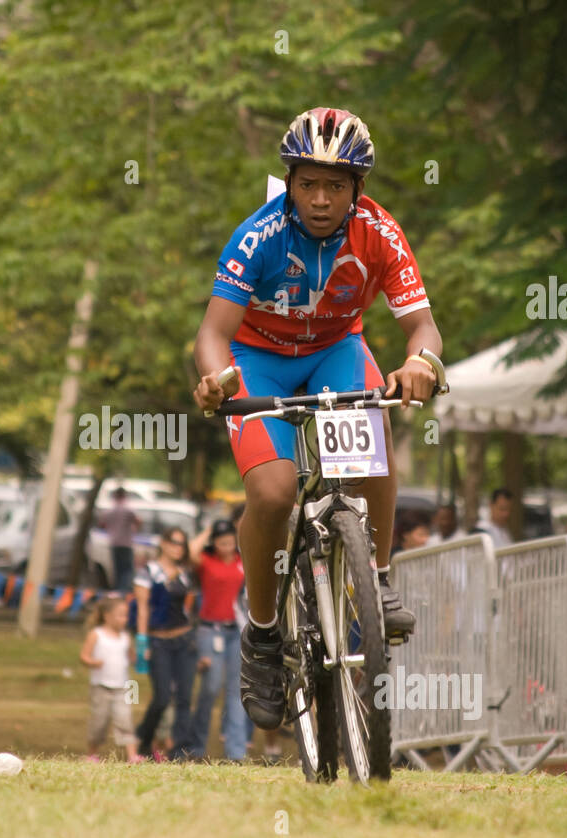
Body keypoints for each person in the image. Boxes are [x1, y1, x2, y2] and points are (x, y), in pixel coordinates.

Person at [192, 106, 443, 730]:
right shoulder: (259, 235)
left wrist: (422, 363)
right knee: (273, 493)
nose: (321, 198)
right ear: (291, 183)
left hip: (335, 351)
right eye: (308, 183)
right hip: (259, 360)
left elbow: (422, 327)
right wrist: (215, 378)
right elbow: (212, 333)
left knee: (374, 422)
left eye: (335, 185)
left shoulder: (381, 232)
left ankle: (377, 579)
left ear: (358, 188)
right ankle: (264, 633)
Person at [185, 519, 247, 761]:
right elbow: (191, 552)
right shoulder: (206, 562)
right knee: (209, 690)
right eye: (222, 542)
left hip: (235, 631)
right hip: (210, 631)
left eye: (230, 541)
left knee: (236, 692)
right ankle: (196, 747)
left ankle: (236, 751)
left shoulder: (242, 562)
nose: (227, 546)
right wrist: (210, 527)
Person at [132, 528, 197, 761]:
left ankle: (178, 750)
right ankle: (144, 740)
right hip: (159, 640)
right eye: (173, 542)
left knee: (184, 698)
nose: (178, 548)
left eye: (182, 544)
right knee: (161, 697)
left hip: (184, 640)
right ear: (163, 543)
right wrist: (142, 641)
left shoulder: (185, 572)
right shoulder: (148, 571)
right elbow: (143, 608)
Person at [79, 593, 141, 763]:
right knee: (99, 722)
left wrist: (141, 656)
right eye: (121, 615)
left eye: (126, 615)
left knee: (125, 719)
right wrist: (93, 662)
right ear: (107, 616)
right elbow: (84, 656)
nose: (125, 619)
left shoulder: (126, 637)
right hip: (101, 686)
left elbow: (132, 658)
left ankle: (132, 755)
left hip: (125, 686)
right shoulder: (96, 634)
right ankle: (92, 753)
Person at [99, 487, 141, 592]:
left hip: (114, 543)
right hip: (126, 543)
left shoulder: (109, 511)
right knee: (127, 570)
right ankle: (124, 591)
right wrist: (135, 529)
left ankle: (118, 590)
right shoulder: (128, 510)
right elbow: (138, 520)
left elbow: (102, 524)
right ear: (124, 496)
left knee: (117, 569)